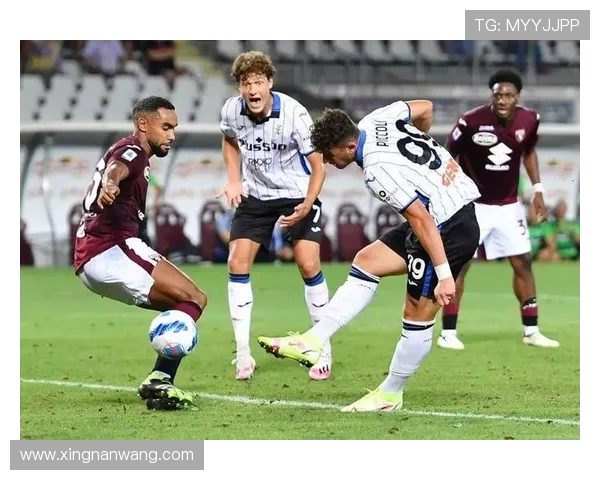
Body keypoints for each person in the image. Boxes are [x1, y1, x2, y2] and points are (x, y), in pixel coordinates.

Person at [257, 99, 481, 412]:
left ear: (350, 147)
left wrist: (445, 276)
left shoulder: (377, 171)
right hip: (446, 209)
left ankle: (390, 394)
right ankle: (312, 340)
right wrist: (425, 148)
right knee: (367, 261)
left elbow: (421, 219)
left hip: (447, 226)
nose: (326, 161)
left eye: (329, 154)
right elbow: (426, 107)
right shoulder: (377, 119)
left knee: (416, 313)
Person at [73, 96, 208, 411]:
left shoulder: (131, 152)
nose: (172, 135)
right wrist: (110, 184)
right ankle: (161, 375)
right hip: (112, 247)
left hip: (92, 259)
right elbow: (116, 168)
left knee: (184, 304)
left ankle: (160, 380)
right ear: (143, 124)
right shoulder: (132, 150)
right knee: (195, 297)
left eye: (174, 128)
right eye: (166, 127)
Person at [217, 50, 331, 381]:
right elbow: (228, 140)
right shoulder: (231, 110)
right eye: (245, 83)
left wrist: (309, 202)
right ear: (239, 86)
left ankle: (322, 349)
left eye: (258, 82)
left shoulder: (295, 114)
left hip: (296, 195)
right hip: (256, 196)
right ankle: (243, 354)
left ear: (269, 82)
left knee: (308, 264)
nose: (252, 90)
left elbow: (318, 165)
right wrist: (234, 179)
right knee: (236, 263)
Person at [439, 70, 559, 350]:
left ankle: (531, 331)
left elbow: (529, 152)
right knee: (460, 265)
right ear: (491, 96)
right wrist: (448, 191)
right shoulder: (470, 121)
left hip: (508, 206)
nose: (503, 100)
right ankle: (448, 333)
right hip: (473, 206)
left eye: (508, 95)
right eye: (498, 95)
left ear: (518, 97)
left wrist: (538, 189)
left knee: (523, 264)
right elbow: (448, 154)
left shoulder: (530, 119)